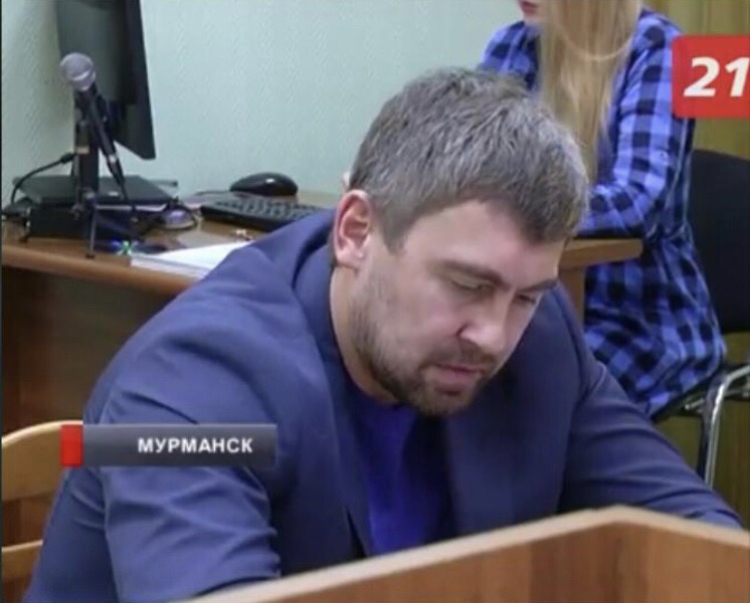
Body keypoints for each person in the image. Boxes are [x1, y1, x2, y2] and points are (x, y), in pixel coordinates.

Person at [25, 68, 740, 603]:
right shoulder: (191, 386)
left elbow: (703, 543)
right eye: (466, 284)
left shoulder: (540, 338)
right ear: (356, 231)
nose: (495, 335)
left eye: (526, 294)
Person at [480, 0, 725, 416]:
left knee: (526, 389)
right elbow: (468, 170)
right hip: (529, 301)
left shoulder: (661, 49)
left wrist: (517, 209)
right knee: (439, 357)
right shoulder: (511, 46)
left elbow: (637, 200)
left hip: (639, 319)